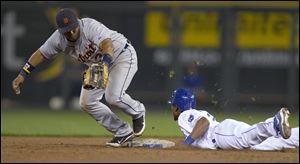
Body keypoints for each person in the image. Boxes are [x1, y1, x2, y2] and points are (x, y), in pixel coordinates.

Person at [11, 8, 146, 147]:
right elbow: (40, 54)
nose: (71, 32)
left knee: (113, 97)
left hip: (121, 55)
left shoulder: (89, 26)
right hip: (98, 65)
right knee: (87, 102)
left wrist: (105, 64)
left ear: (77, 22)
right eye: (66, 30)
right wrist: (22, 74)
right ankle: (122, 130)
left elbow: (107, 44)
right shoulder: (57, 39)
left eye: (73, 28)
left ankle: (138, 111)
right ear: (60, 30)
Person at [168, 88, 296, 150]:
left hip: (220, 135)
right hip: (224, 134)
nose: (171, 108)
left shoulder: (184, 115)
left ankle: (273, 123)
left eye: (172, 105)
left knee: (246, 138)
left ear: (177, 107)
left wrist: (187, 142)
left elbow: (204, 122)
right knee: (269, 142)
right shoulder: (193, 113)